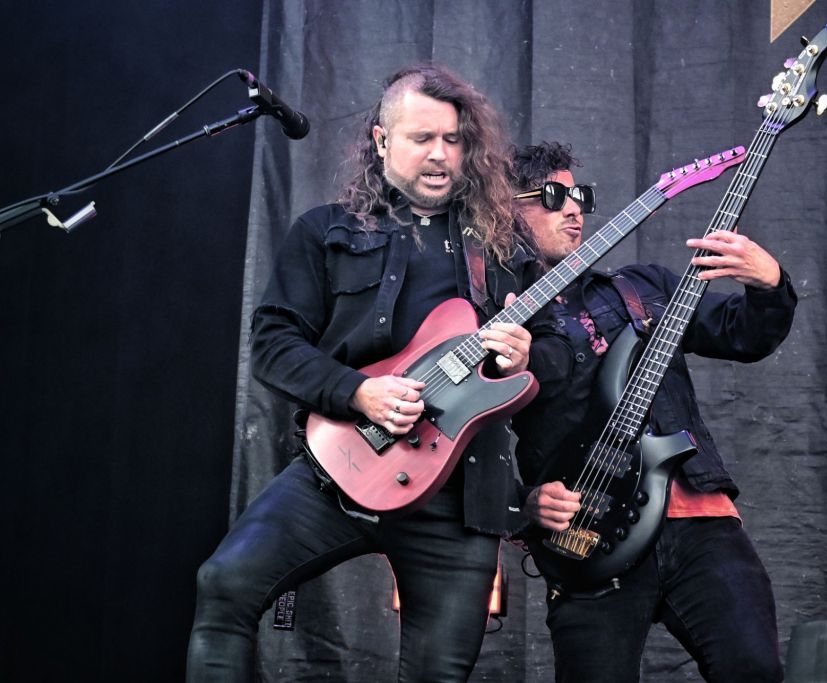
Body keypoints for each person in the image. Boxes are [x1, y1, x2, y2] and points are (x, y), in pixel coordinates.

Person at [185, 66, 571, 682]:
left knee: (436, 673)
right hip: (342, 462)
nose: (440, 154)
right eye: (422, 138)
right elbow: (273, 343)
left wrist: (528, 358)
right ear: (382, 140)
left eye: (453, 139)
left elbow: (556, 350)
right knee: (224, 585)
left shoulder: (504, 246)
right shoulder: (325, 230)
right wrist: (359, 392)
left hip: (459, 496)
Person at [511, 142, 798, 682]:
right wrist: (524, 500)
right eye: (552, 196)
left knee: (754, 670)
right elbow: (460, 444)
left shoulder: (643, 288)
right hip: (588, 532)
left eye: (580, 196)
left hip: (699, 521)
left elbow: (743, 334)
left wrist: (769, 284)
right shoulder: (496, 316)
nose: (573, 209)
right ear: (504, 208)